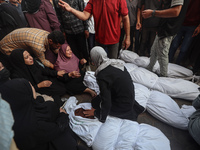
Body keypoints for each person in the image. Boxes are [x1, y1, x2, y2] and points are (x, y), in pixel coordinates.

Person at [0, 78, 80, 150]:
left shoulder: (15, 110)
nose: (33, 88)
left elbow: (39, 100)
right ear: (25, 94)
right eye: (30, 86)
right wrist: (63, 115)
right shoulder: (31, 125)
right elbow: (58, 128)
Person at [83, 46, 144, 123]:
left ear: (95, 59)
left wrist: (97, 114)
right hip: (130, 100)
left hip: (123, 106)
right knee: (98, 99)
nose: (92, 62)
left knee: (95, 103)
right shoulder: (115, 63)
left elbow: (106, 100)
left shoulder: (102, 75)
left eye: (92, 59)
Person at [58, 0, 130, 59]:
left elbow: (125, 18)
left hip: (114, 40)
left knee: (113, 65)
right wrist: (71, 9)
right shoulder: (93, 1)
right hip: (99, 40)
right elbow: (84, 15)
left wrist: (128, 37)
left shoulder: (119, 0)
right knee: (99, 65)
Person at [142, 0, 189, 77]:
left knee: (162, 54)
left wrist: (152, 13)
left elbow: (176, 11)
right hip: (164, 27)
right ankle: (150, 67)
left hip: (168, 28)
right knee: (154, 50)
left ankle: (163, 76)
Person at [0, 28, 65, 69]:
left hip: (15, 37)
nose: (58, 48)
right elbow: (43, 61)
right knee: (21, 66)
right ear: (50, 41)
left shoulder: (48, 34)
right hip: (6, 47)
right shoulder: (38, 46)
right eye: (57, 46)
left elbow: (54, 49)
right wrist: (56, 68)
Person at [53, 0, 90, 65]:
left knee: (84, 50)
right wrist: (63, 31)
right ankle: (78, 68)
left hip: (80, 28)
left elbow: (84, 12)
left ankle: (87, 66)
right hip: (68, 31)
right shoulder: (56, 1)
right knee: (74, 52)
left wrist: (86, 28)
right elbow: (58, 16)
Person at [169, 0, 200, 65]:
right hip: (181, 22)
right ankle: (167, 63)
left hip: (192, 25)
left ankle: (177, 66)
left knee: (184, 49)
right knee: (174, 45)